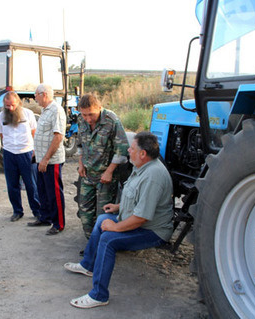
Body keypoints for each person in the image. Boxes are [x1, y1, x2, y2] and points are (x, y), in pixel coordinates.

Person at [64, 132, 173, 308]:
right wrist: (118, 207)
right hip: (140, 222)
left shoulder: (153, 176)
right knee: (102, 219)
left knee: (108, 239)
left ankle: (99, 295)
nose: (128, 150)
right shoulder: (142, 167)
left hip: (152, 231)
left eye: (132, 148)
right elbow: (136, 199)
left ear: (143, 153)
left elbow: (141, 218)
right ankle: (88, 265)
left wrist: (115, 227)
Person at [77, 93, 129, 239]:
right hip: (87, 174)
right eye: (84, 114)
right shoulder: (81, 120)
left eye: (91, 114)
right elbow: (80, 144)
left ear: (99, 108)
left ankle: (100, 244)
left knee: (103, 214)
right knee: (85, 212)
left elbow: (122, 150)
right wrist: (80, 164)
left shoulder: (111, 120)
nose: (88, 119)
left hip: (105, 177)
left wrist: (109, 171)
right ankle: (91, 242)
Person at [28, 83, 66, 235]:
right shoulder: (45, 110)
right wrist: (37, 153)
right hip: (41, 158)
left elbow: (58, 136)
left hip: (51, 160)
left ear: (43, 94)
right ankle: (45, 217)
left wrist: (45, 159)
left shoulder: (56, 110)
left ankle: (59, 224)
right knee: (43, 190)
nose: (34, 98)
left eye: (36, 95)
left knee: (54, 193)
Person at [0, 91, 41, 222]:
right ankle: (17, 211)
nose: (10, 108)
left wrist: (34, 150)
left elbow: (34, 133)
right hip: (9, 153)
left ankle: (37, 211)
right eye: (7, 105)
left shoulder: (28, 114)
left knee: (31, 184)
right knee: (12, 184)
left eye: (12, 105)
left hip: (26, 152)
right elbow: (1, 135)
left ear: (18, 103)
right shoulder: (0, 117)